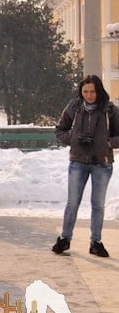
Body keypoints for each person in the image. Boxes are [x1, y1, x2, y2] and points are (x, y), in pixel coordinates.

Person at [52, 75, 118, 258]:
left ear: (99, 91)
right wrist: (72, 140)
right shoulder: (75, 107)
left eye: (92, 92)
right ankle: (65, 239)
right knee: (72, 202)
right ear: (81, 92)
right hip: (78, 162)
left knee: (98, 205)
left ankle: (95, 242)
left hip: (102, 164)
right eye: (85, 92)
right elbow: (59, 129)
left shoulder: (110, 110)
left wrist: (107, 143)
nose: (89, 96)